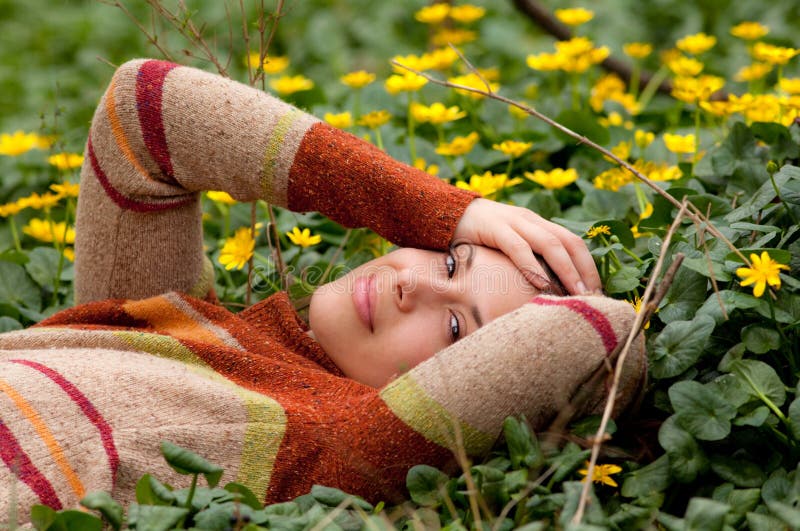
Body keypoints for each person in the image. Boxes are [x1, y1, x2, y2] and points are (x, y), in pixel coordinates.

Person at [0, 59, 646, 519]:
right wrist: (453, 212)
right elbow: (142, 110)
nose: (411, 289)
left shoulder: (329, 444)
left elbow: (600, 334)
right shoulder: (170, 319)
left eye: (457, 329)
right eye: (450, 263)